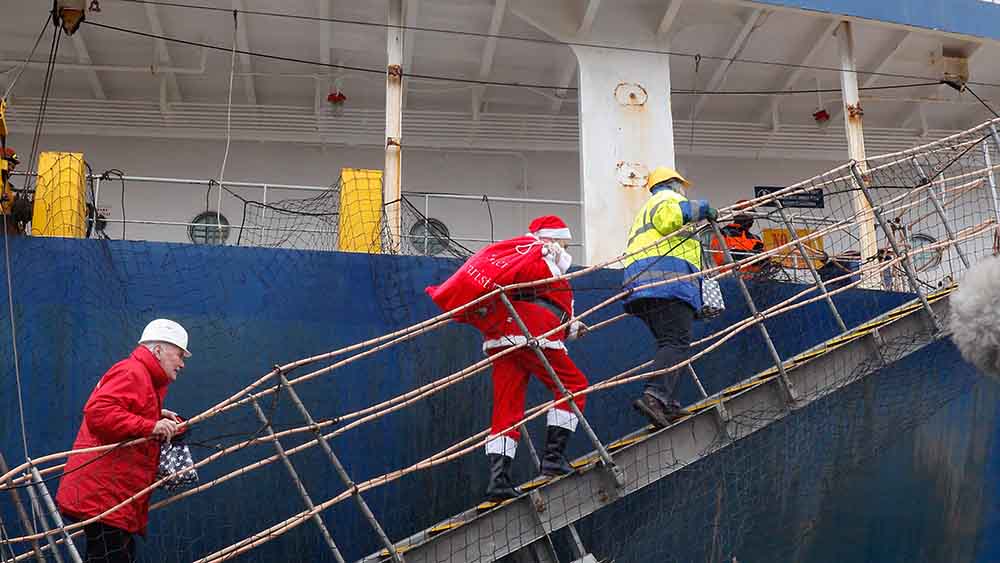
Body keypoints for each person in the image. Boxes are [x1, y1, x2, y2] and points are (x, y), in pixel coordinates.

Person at [427, 215, 589, 503]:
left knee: (507, 408)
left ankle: (498, 481)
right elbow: (540, 295)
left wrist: (572, 325)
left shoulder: (535, 259)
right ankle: (553, 458)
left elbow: (545, 299)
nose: (567, 245)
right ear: (553, 237)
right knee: (574, 385)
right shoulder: (539, 256)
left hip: (505, 336)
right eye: (564, 239)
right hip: (533, 333)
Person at [56, 319, 192, 563]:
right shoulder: (133, 372)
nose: (182, 364)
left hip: (111, 497)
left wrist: (154, 416)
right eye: (180, 355)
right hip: (105, 496)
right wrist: (150, 425)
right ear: (158, 350)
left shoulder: (143, 376)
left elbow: (117, 410)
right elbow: (98, 412)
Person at [622, 166, 717, 428]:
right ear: (672, 183)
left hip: (642, 285)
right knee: (677, 341)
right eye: (681, 185)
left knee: (672, 342)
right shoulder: (667, 199)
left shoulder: (644, 210)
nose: (684, 190)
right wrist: (702, 208)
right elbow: (670, 220)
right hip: (666, 282)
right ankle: (654, 397)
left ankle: (667, 403)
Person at [709, 200, 764, 273]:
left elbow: (763, 262)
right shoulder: (723, 234)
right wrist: (746, 256)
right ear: (737, 215)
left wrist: (761, 260)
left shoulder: (756, 239)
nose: (750, 218)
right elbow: (720, 258)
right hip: (729, 277)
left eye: (751, 215)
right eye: (747, 215)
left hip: (753, 278)